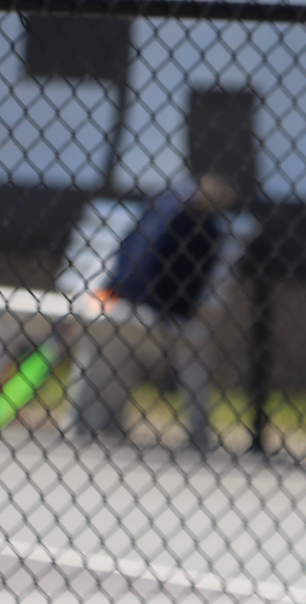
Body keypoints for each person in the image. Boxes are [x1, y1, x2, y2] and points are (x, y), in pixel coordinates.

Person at [66, 173, 249, 450]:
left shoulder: (194, 222)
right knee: (106, 340)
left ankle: (92, 421)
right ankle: (88, 420)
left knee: (110, 340)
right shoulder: (177, 213)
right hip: (135, 300)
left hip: (155, 308)